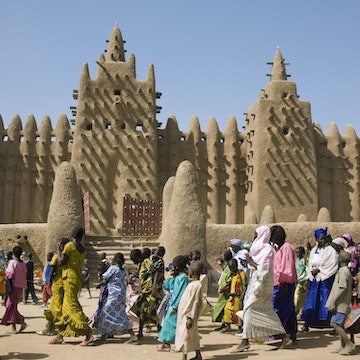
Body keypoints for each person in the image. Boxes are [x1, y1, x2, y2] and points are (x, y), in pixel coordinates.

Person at [231, 226, 285, 353]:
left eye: (256, 235)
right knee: (264, 311)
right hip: (256, 282)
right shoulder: (259, 249)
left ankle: (245, 341)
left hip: (262, 285)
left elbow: (264, 270)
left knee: (249, 308)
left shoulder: (267, 250)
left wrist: (250, 261)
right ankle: (284, 336)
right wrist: (249, 263)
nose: (255, 237)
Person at [49, 226, 93, 346]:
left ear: (73, 234)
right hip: (77, 278)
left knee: (72, 306)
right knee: (66, 307)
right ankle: (60, 335)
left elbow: (61, 262)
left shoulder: (69, 246)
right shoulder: (83, 249)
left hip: (69, 278)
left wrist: (58, 249)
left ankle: (88, 333)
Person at [92, 252, 138, 344]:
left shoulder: (113, 268)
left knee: (105, 313)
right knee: (121, 314)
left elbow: (105, 279)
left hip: (114, 295)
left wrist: (99, 285)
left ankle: (103, 336)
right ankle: (132, 335)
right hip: (121, 294)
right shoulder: (123, 268)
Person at [300, 227, 338, 333]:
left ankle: (330, 323)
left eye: (323, 238)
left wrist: (320, 270)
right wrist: (310, 275)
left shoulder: (330, 251)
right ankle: (307, 323)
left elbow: (332, 265)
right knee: (311, 301)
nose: (322, 240)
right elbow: (309, 264)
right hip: (314, 280)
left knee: (326, 300)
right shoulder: (314, 250)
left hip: (326, 279)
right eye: (320, 239)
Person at [270, 225, 298, 348]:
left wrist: (284, 283)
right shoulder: (277, 249)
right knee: (289, 308)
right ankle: (291, 333)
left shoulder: (286, 247)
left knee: (280, 309)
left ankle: (283, 336)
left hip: (284, 284)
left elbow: (287, 266)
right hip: (279, 283)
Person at [131, 246, 165, 340]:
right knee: (143, 310)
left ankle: (161, 333)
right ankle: (140, 332)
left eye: (158, 252)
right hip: (145, 290)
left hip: (154, 290)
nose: (156, 253)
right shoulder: (146, 262)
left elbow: (158, 275)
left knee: (157, 311)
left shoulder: (159, 262)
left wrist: (154, 288)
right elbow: (142, 274)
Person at [38, 238, 69, 336]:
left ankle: (52, 329)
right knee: (57, 307)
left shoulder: (57, 257)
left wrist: (48, 282)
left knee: (54, 307)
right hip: (64, 284)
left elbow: (51, 272)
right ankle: (50, 328)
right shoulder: (67, 257)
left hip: (57, 284)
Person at [157, 255, 189, 352]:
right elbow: (167, 287)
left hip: (177, 305)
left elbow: (181, 293)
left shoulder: (184, 278)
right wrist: (171, 277)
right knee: (168, 323)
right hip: (172, 304)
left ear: (177, 267)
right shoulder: (176, 277)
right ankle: (166, 343)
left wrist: (175, 306)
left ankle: (177, 344)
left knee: (175, 325)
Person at [326, 251, 355, 355]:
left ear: (340, 260)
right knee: (340, 324)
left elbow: (341, 287)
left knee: (335, 323)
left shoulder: (343, 272)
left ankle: (348, 344)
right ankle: (342, 346)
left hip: (341, 303)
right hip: (343, 302)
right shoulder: (345, 271)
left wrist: (333, 301)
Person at [174, 260, 203, 360]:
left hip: (188, 316)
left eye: (189, 270)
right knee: (193, 334)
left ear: (193, 272)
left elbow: (193, 302)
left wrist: (190, 317)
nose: (188, 271)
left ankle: (184, 357)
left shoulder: (196, 285)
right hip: (185, 315)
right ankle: (198, 355)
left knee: (185, 335)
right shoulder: (193, 284)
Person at [0, 245, 28, 334]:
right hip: (20, 287)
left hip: (13, 287)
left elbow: (9, 275)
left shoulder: (12, 263)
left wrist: (8, 289)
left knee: (10, 305)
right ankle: (19, 323)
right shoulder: (23, 264)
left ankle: (15, 326)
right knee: (12, 306)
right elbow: (25, 274)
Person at [221, 258, 246, 334]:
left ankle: (239, 327)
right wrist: (223, 288)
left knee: (237, 311)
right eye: (230, 267)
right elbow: (229, 283)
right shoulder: (232, 275)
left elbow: (245, 285)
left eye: (233, 267)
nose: (231, 269)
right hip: (232, 296)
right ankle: (228, 326)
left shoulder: (241, 273)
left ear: (236, 266)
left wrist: (243, 294)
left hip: (238, 296)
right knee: (226, 309)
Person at [212, 249, 234, 331]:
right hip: (222, 291)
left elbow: (229, 280)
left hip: (226, 292)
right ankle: (223, 324)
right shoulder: (227, 266)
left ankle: (227, 325)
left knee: (225, 308)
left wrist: (223, 288)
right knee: (221, 309)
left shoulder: (231, 266)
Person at [294, 246, 307, 317]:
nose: (296, 254)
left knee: (298, 296)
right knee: (295, 296)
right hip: (295, 280)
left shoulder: (303, 261)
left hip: (301, 280)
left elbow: (306, 270)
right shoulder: (295, 261)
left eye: (298, 252)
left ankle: (298, 311)